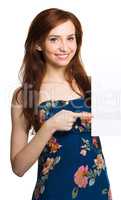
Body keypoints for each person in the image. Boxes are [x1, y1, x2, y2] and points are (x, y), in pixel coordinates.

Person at [10, 8, 112, 200]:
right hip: (53, 192)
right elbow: (18, 167)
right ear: (39, 44)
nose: (64, 47)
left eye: (70, 38)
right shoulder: (27, 94)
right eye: (54, 39)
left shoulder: (90, 85)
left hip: (96, 190)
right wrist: (49, 126)